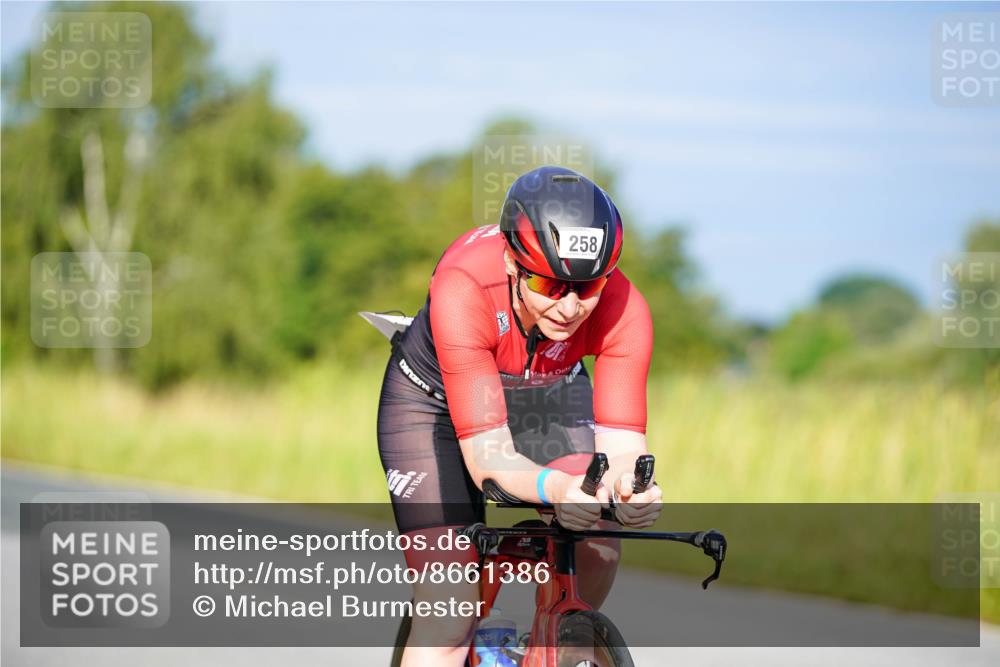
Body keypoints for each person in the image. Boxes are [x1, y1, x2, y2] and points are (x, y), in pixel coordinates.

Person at [377, 165, 662, 666]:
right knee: (448, 610)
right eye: (551, 286)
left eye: (589, 286)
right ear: (513, 262)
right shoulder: (465, 286)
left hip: (546, 393)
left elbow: (621, 448)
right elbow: (489, 457)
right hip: (436, 406)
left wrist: (628, 493)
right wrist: (557, 489)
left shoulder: (624, 309)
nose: (571, 307)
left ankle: (552, 645)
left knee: (597, 541)